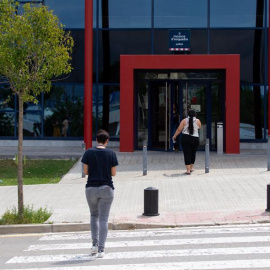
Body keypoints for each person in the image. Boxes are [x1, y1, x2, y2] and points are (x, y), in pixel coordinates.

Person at [81, 129, 118, 258]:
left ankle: (94, 245)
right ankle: (101, 250)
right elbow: (113, 173)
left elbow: (86, 171)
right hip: (107, 188)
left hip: (91, 188)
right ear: (107, 141)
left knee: (93, 215)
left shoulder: (89, 152)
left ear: (96, 140)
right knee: (103, 218)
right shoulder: (111, 153)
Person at [172, 109, 201, 175]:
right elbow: (199, 127)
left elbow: (179, 129)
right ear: (195, 114)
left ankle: (188, 170)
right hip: (195, 138)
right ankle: (191, 168)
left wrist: (175, 135)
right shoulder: (198, 121)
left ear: (187, 114)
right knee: (193, 153)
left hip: (185, 138)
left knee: (187, 153)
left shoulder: (184, 121)